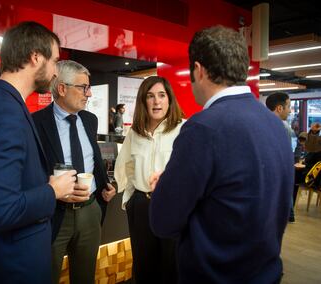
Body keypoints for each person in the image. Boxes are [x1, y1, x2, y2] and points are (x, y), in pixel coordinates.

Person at [149, 26, 294, 283]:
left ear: (198, 70)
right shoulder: (276, 125)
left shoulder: (203, 128)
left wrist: (166, 188)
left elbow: (163, 222)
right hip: (266, 272)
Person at [0, 22, 78, 284]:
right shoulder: (5, 111)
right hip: (12, 267)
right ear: (35, 57)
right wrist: (53, 191)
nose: (56, 72)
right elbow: (3, 210)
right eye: (55, 61)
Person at [32, 60, 116, 284]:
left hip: (90, 211)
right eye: (83, 87)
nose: (88, 94)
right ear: (62, 88)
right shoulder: (35, 123)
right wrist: (54, 191)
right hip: (54, 214)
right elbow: (31, 171)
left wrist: (105, 186)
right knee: (45, 275)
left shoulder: (90, 120)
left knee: (85, 277)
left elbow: (93, 158)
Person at [114, 76, 184, 283]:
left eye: (162, 95)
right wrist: (129, 199)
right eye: (150, 96)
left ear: (169, 100)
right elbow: (125, 167)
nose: (156, 102)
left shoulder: (184, 129)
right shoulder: (134, 133)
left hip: (173, 207)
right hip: (142, 206)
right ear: (143, 101)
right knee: (144, 268)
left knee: (172, 268)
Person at [265, 92, 295, 223]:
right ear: (279, 108)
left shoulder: (258, 123)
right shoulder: (285, 128)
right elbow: (288, 153)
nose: (290, 111)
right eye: (288, 106)